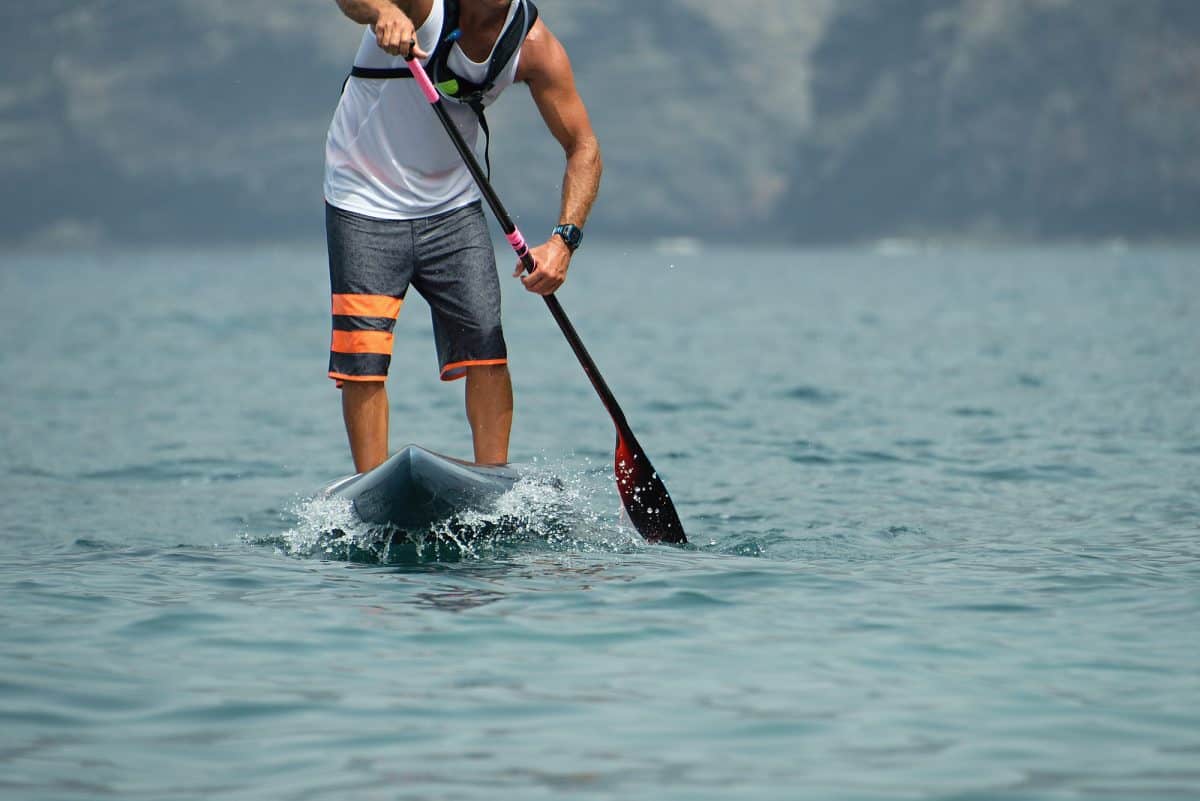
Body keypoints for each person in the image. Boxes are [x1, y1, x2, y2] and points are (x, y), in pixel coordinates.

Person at [325, 0, 601, 472]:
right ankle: (372, 486)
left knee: (486, 347)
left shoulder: (532, 46)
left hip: (452, 206)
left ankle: (492, 483)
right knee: (364, 357)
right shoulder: (422, 6)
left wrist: (563, 242)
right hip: (363, 199)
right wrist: (382, 12)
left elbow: (584, 147)